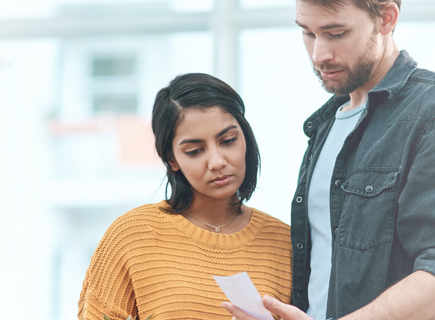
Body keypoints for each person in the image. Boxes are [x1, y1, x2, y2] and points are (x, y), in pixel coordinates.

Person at [219, 0, 435, 319]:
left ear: (386, 18)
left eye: (337, 33)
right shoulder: (326, 126)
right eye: (308, 34)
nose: (319, 55)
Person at [78, 73, 292, 320]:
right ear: (172, 159)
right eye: (195, 151)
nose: (217, 162)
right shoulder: (131, 237)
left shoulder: (285, 243)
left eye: (228, 140)